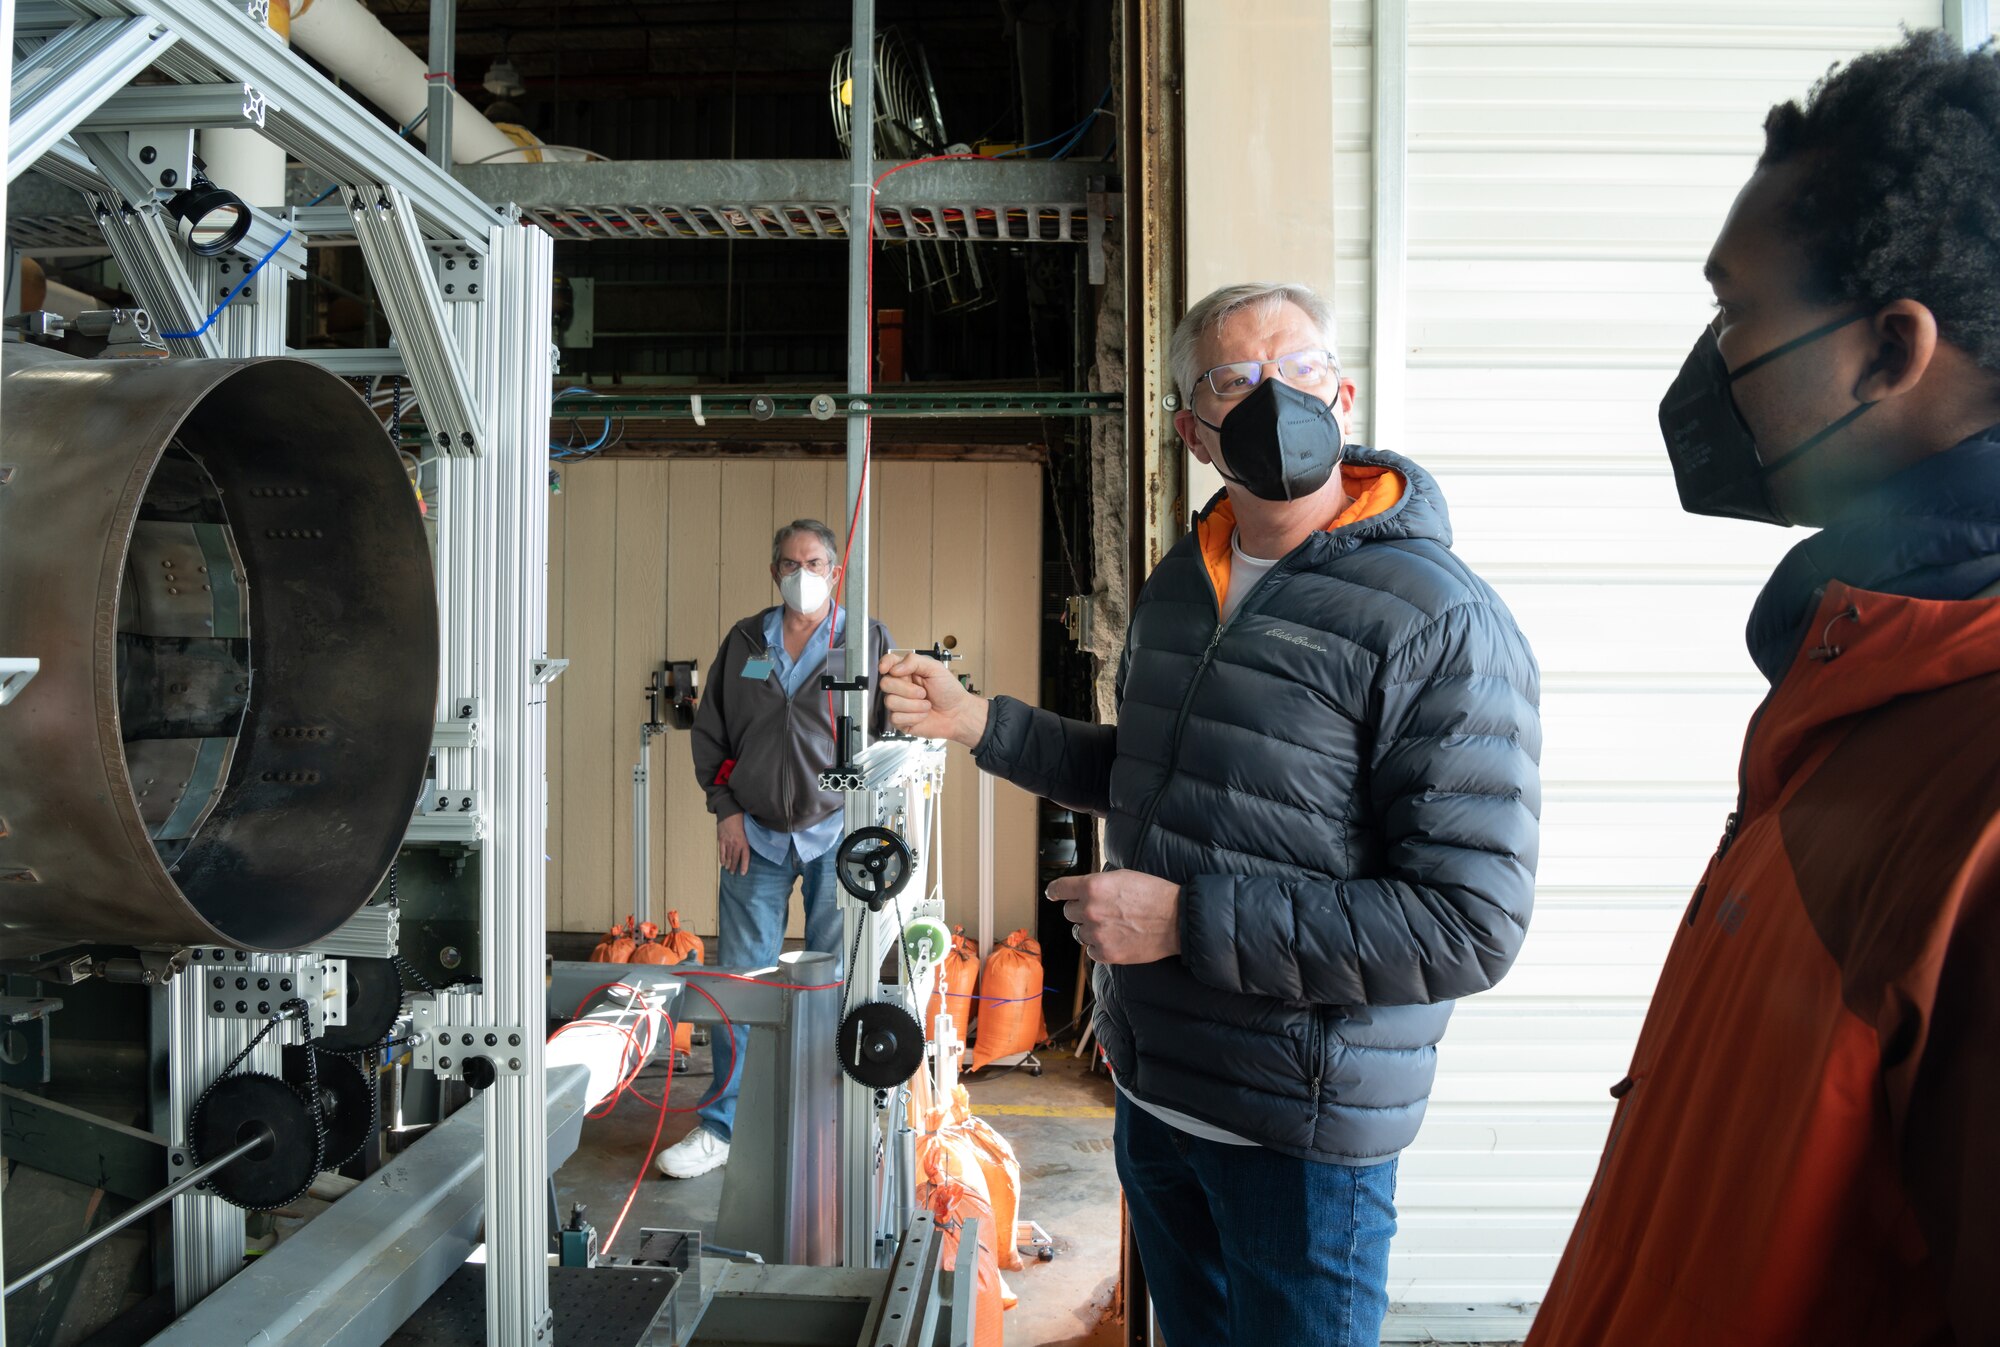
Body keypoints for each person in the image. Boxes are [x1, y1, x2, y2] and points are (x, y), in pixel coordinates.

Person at [878, 282, 1542, 1345]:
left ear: (1343, 392)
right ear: (1192, 427)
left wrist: (1187, 920)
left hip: (1299, 1132)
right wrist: (977, 722)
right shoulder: (1185, 583)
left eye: (1300, 369)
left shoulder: (1437, 620)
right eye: (1233, 379)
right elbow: (1149, 773)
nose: (1274, 397)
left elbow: (1467, 924)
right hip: (1158, 1100)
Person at [1527, 32, 2000, 1346]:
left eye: (1738, 309)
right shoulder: (1855, 690)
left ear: (1889, 349)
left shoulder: (1972, 766)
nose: (1714, 359)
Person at [655, 519, 891, 1179]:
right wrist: (726, 809)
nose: (802, 573)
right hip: (754, 835)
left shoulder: (864, 638)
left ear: (836, 570)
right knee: (741, 983)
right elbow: (715, 737)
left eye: (814, 562)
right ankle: (723, 1126)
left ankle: (823, 1117)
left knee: (828, 981)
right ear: (773, 571)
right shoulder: (745, 641)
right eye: (789, 562)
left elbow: (889, 735)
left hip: (835, 836)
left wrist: (869, 822)